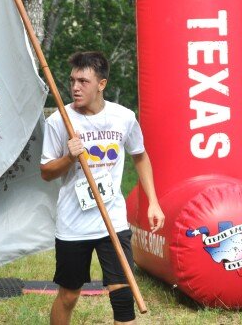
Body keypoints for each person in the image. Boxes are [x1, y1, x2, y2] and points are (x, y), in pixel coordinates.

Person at [40, 51, 164, 325]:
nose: (75, 87)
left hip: (112, 220)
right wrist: (69, 158)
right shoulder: (59, 121)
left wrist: (153, 202)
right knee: (69, 296)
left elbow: (140, 156)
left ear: (102, 84)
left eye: (83, 81)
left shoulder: (123, 117)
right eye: (72, 80)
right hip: (73, 224)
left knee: (123, 298)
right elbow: (46, 172)